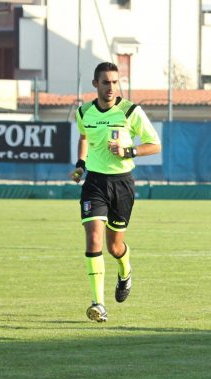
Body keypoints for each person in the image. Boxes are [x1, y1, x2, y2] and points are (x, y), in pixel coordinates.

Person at [69, 62, 161, 322]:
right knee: (93, 239)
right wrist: (80, 165)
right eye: (106, 82)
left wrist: (128, 151)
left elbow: (155, 145)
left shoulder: (131, 111)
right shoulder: (84, 111)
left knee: (115, 246)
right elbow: (85, 137)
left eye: (115, 82)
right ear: (95, 84)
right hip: (94, 183)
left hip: (122, 184)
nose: (111, 87)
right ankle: (98, 303)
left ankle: (125, 271)